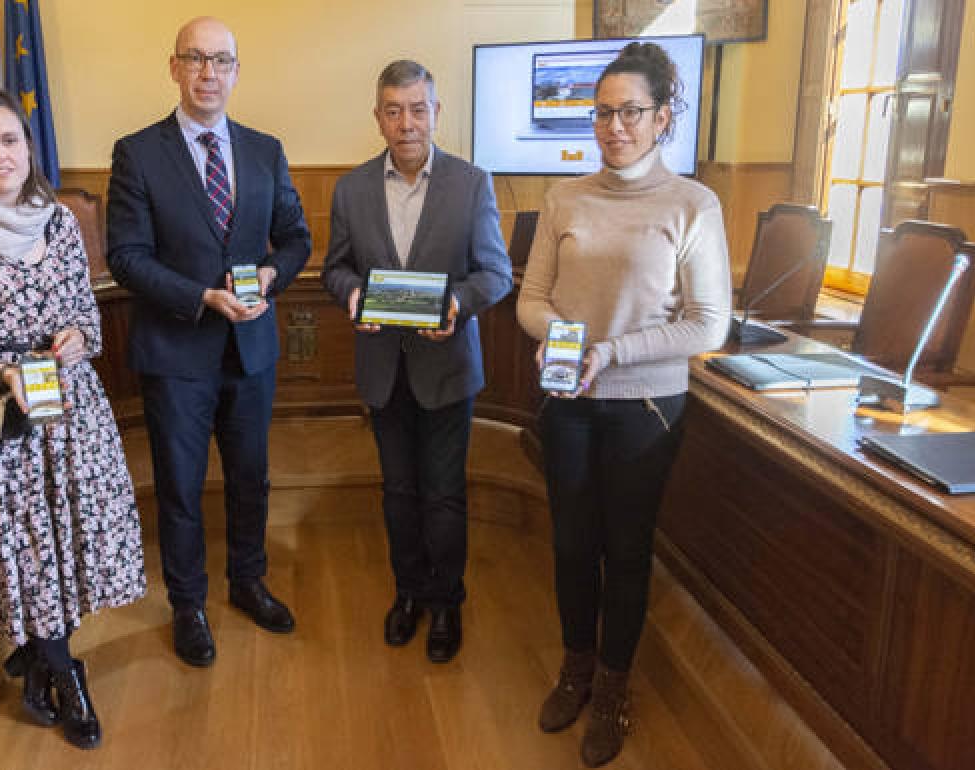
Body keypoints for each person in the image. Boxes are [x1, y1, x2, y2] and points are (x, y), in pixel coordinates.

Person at [0, 88, 147, 750]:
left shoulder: (61, 222)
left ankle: (38, 657)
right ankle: (65, 672)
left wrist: (76, 335)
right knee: (30, 548)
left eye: (10, 139)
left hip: (68, 410)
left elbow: (87, 313)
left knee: (63, 543)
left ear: (28, 147)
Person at [516, 42, 730, 767]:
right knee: (573, 545)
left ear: (663, 117)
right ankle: (576, 670)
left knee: (626, 551)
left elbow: (709, 323)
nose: (613, 126)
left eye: (630, 112)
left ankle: (612, 689)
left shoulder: (694, 204)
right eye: (602, 112)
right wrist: (564, 342)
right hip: (568, 398)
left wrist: (614, 352)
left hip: (647, 406)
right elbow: (532, 301)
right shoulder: (564, 198)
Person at [106, 17, 311, 668]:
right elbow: (127, 257)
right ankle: (188, 604)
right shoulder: (137, 152)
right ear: (174, 67)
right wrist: (200, 297)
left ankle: (247, 580)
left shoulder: (264, 149)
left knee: (252, 478)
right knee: (181, 487)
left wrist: (274, 276)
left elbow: (296, 237)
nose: (208, 72)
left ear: (236, 71)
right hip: (176, 353)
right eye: (195, 59)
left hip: (251, 352)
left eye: (221, 60)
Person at [322, 60, 512, 664]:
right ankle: (408, 592)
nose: (407, 122)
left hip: (447, 366)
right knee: (399, 492)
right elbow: (336, 268)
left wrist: (456, 301)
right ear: (378, 117)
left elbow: (497, 274)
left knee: (444, 494)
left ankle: (446, 600)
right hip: (383, 368)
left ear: (436, 112)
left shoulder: (472, 182)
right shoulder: (351, 188)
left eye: (418, 108)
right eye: (394, 110)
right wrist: (352, 295)